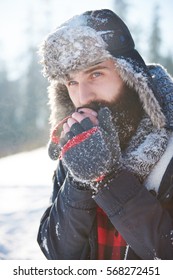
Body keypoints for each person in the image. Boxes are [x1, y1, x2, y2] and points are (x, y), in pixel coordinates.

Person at [37, 9, 173, 260]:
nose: (83, 97)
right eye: (72, 82)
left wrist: (109, 178)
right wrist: (79, 180)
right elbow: (55, 252)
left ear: (131, 76)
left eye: (95, 73)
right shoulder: (77, 145)